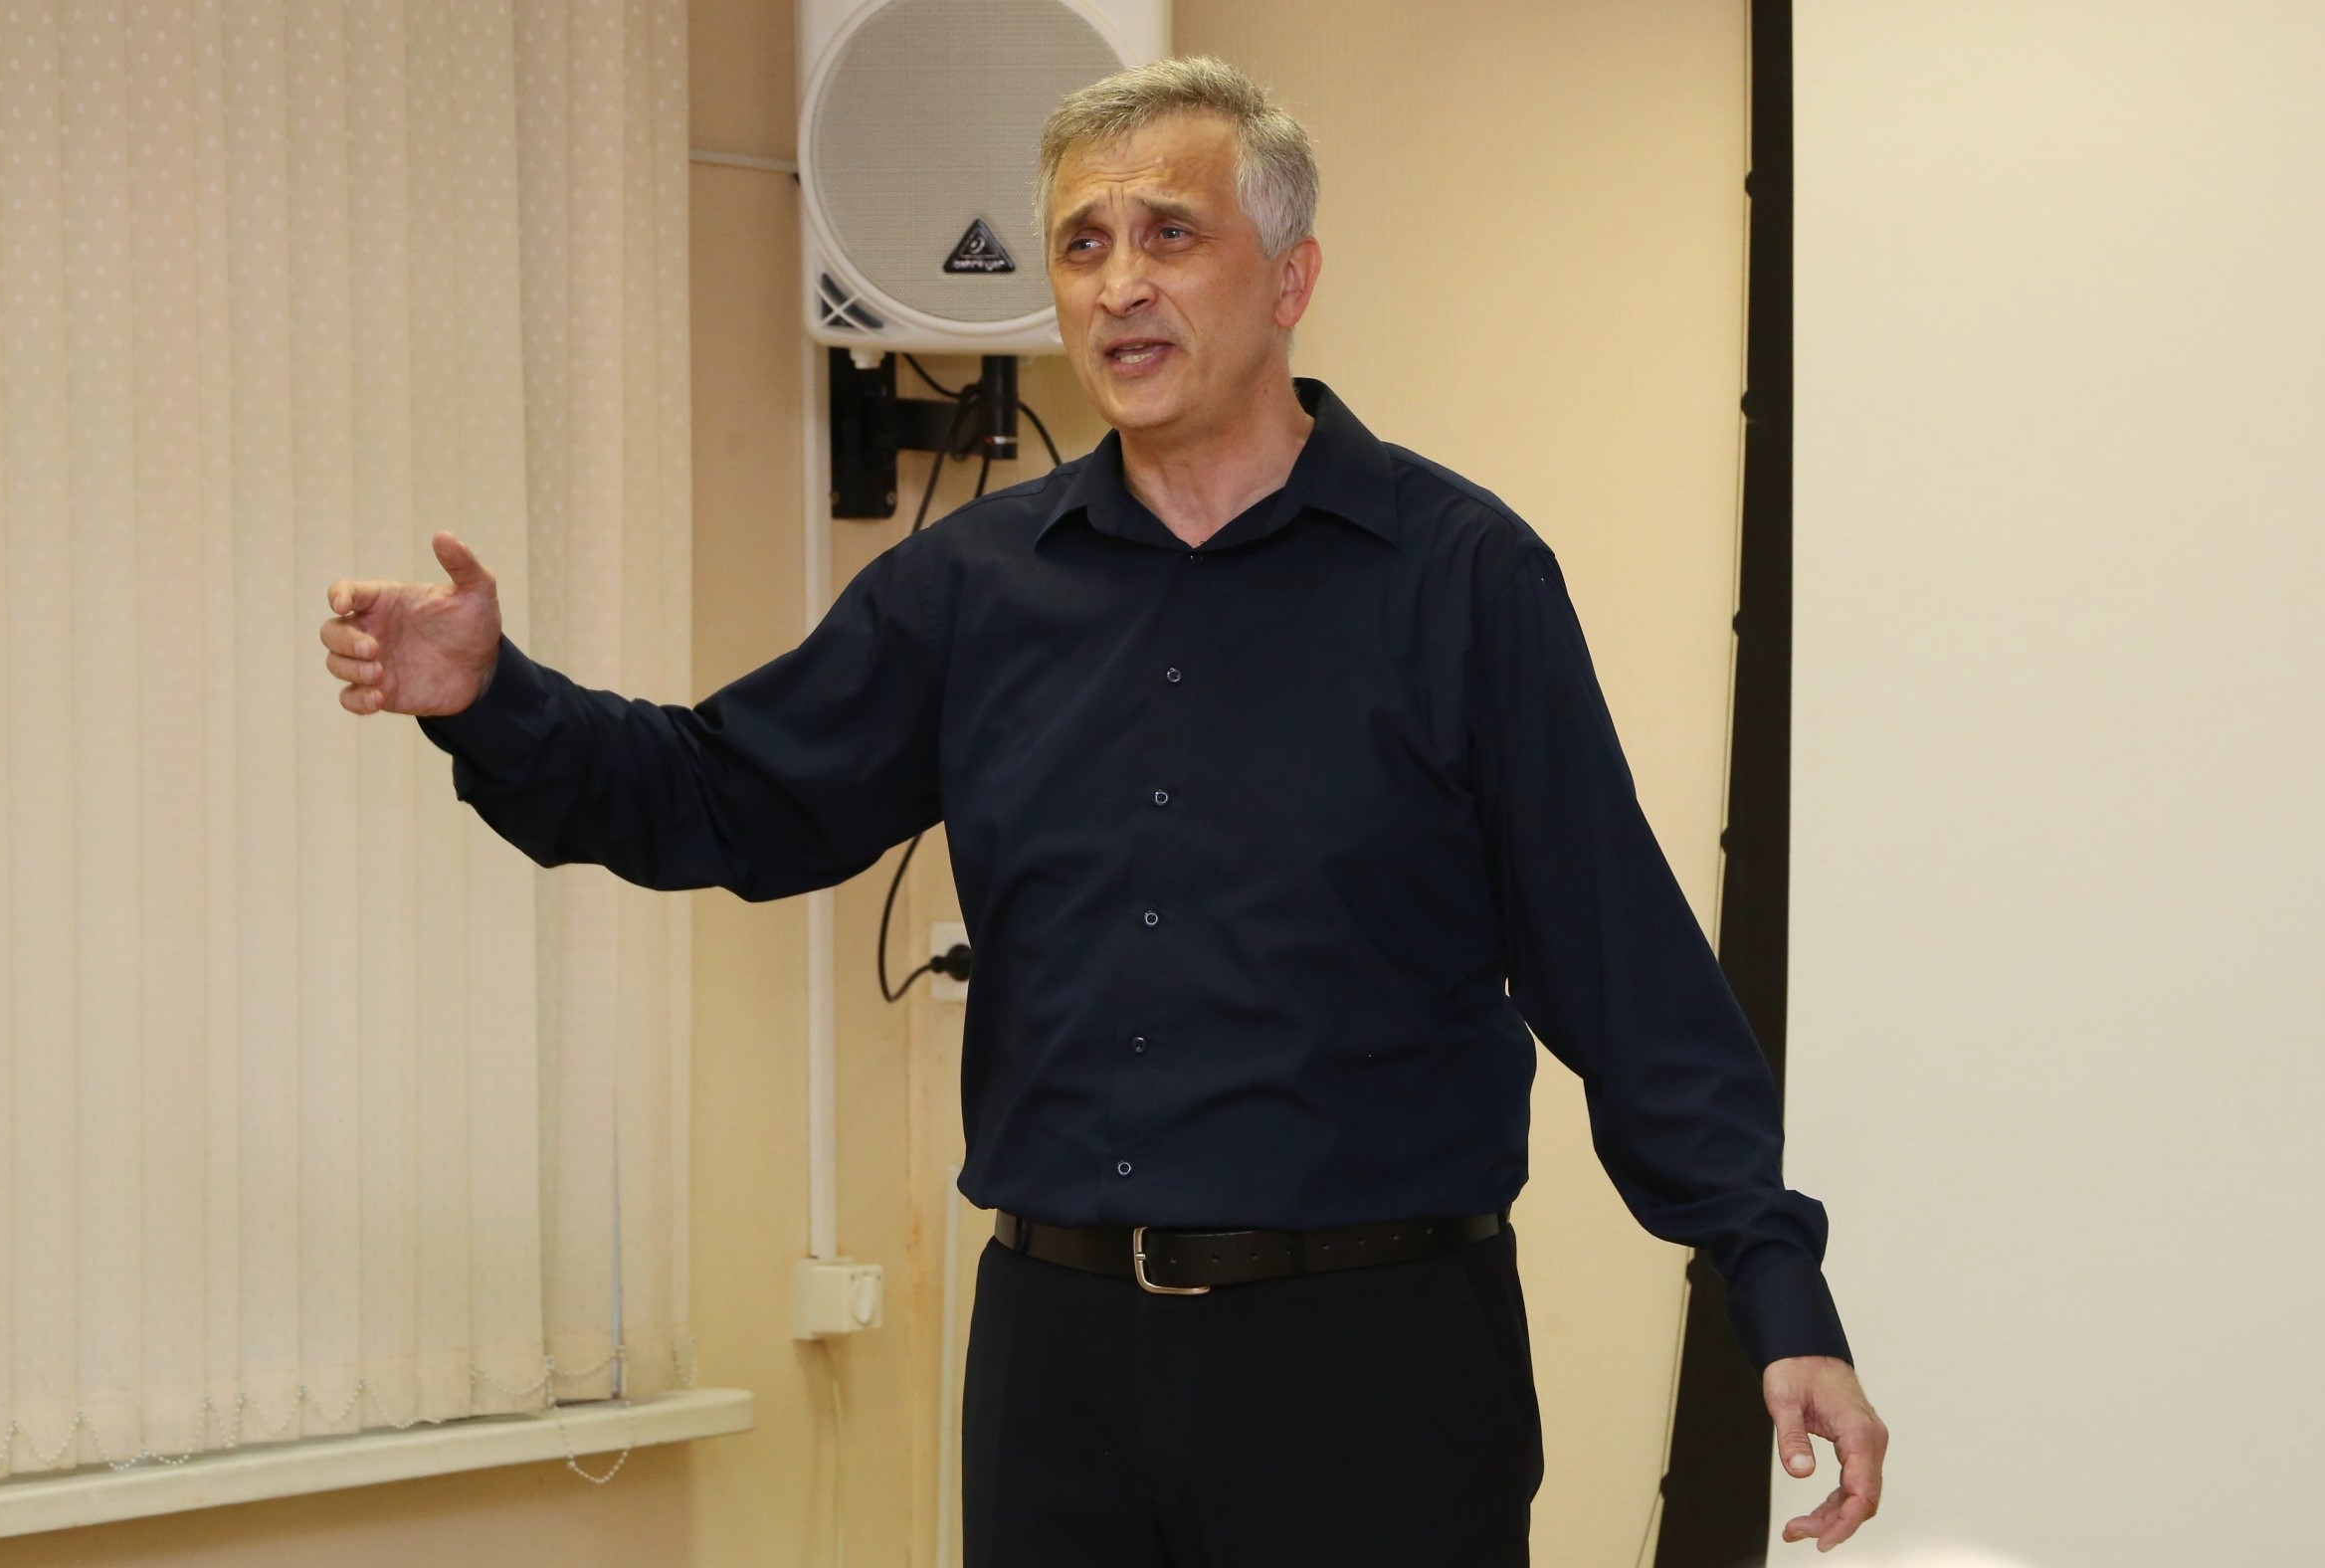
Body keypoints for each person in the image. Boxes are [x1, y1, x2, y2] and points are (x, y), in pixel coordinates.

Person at [321, 54, 1885, 1567]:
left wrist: (1774, 1283)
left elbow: (1617, 962)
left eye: (1169, 234)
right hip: (1059, 1369)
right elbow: (726, 797)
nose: (1119, 283)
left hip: (1377, 1367)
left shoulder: (1463, 577)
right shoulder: (970, 591)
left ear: (1290, 277)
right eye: (1083, 243)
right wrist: (492, 697)